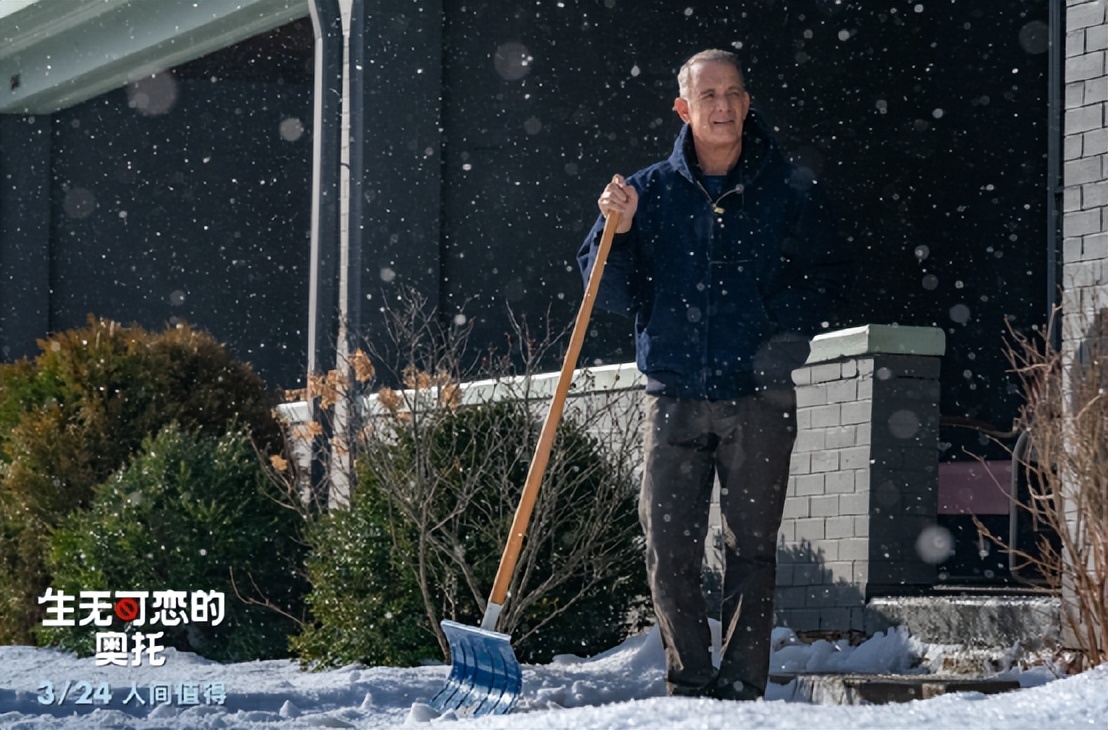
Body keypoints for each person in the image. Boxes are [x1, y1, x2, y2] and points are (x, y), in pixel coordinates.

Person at [578, 49, 853, 701]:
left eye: (732, 93)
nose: (722, 105)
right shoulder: (647, 192)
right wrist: (614, 231)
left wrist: (778, 340)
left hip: (759, 398)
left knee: (751, 552)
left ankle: (741, 686)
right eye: (708, 96)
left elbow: (827, 277)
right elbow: (605, 292)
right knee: (668, 550)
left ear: (747, 102)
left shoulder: (787, 189)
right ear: (684, 108)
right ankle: (689, 680)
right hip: (672, 397)